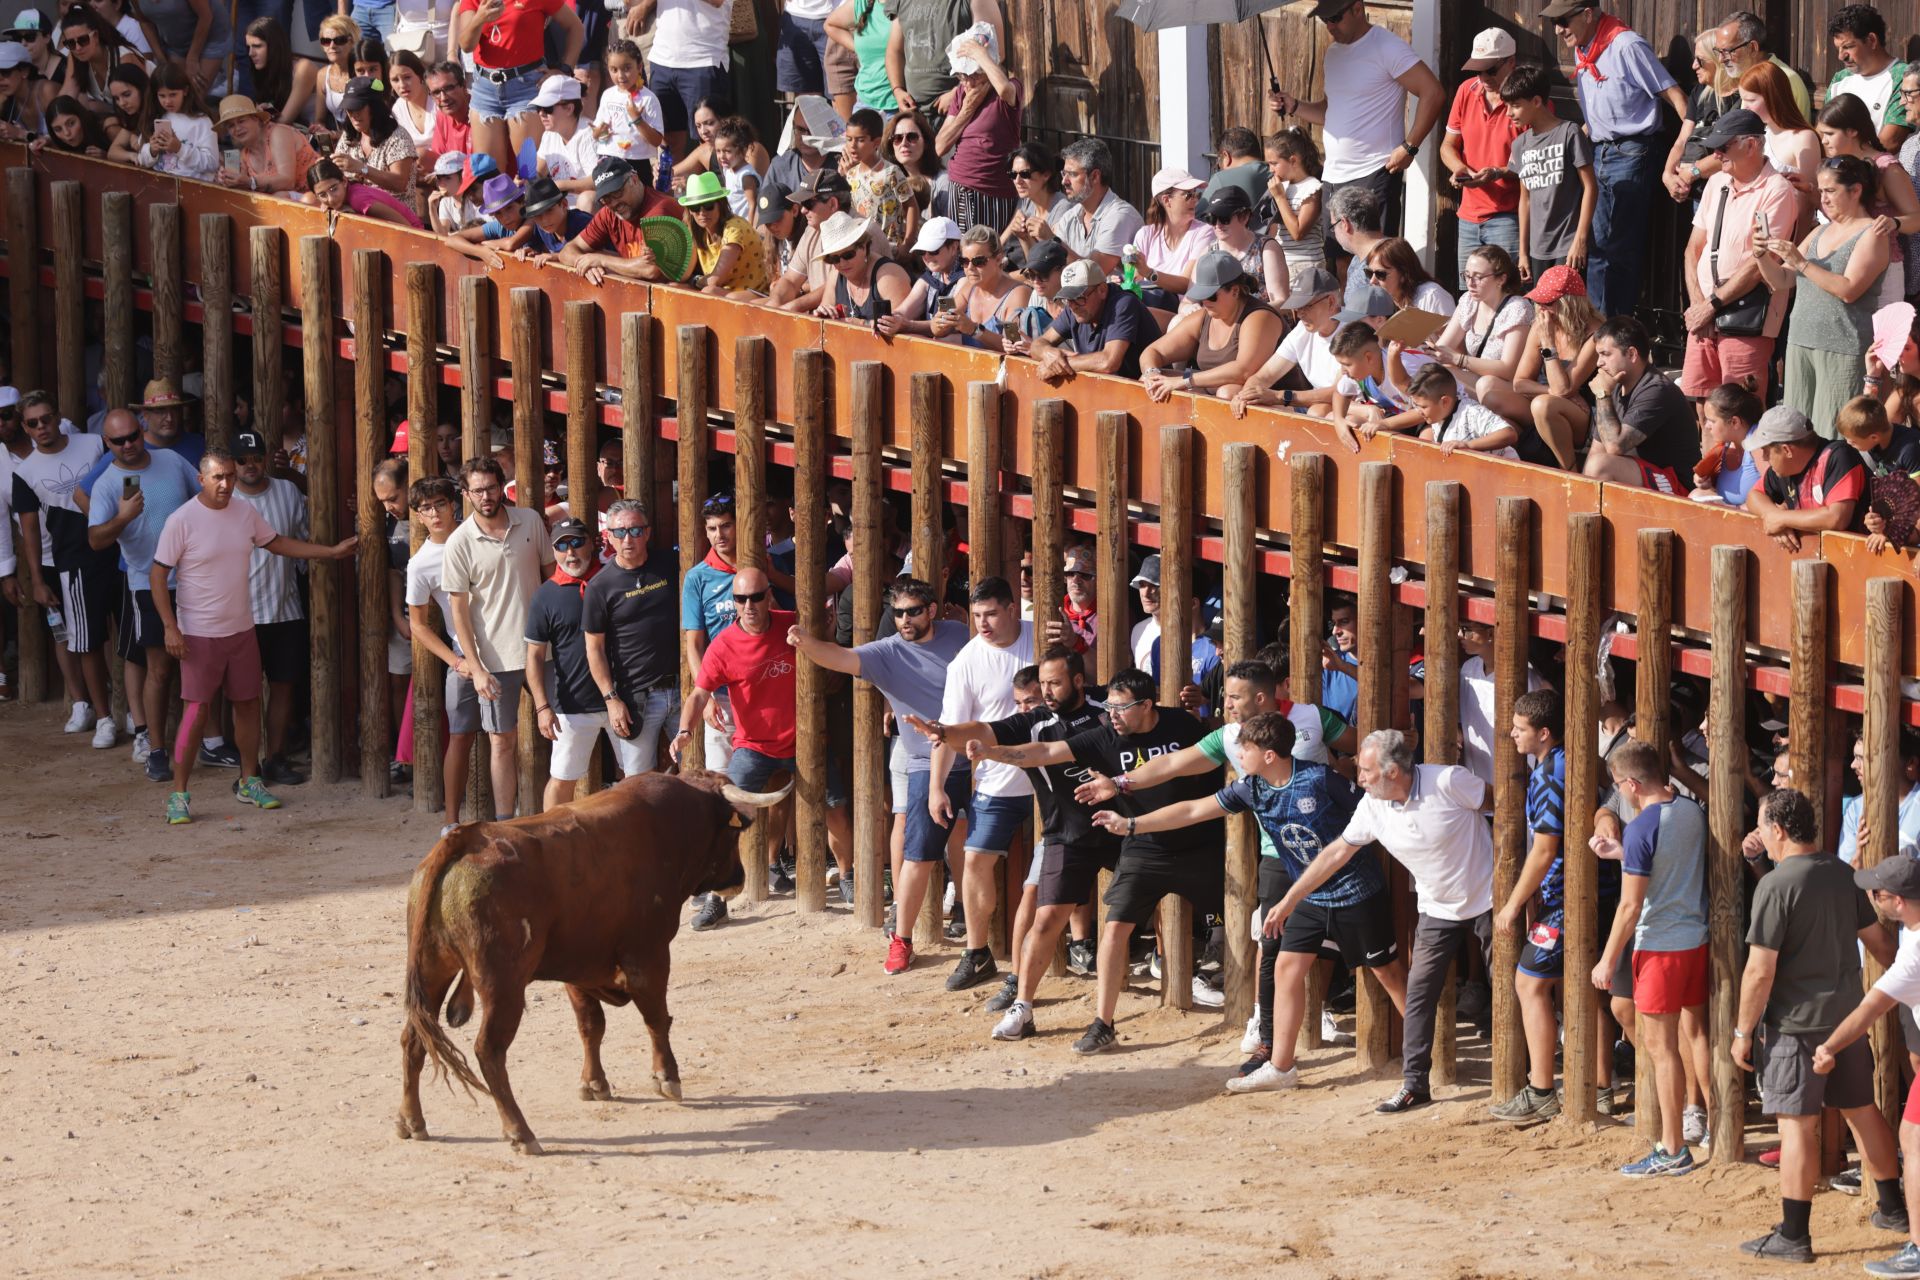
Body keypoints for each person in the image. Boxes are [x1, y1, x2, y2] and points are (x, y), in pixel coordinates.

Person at [964, 667, 1216, 1054]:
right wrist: (993, 752)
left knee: (1243, 918)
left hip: (1198, 843)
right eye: (1109, 707)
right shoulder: (1106, 735)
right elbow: (1046, 752)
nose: (1111, 715)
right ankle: (1077, 1017)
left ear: (1147, 705)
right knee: (1108, 927)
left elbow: (1215, 754)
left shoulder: (1182, 723)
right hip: (1139, 844)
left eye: (1121, 708)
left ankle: (1249, 1005)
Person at [1258, 729, 1491, 1113]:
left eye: (1366, 771)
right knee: (1417, 995)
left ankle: (1533, 1076)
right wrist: (1288, 900)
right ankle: (1416, 1085)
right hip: (1437, 908)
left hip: (1490, 899)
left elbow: (1509, 808)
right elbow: (1334, 855)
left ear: (1394, 772)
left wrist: (1522, 887)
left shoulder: (1449, 781)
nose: (1359, 778)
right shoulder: (1371, 805)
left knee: (1511, 986)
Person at [1733, 788, 1903, 1263]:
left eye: (1764, 826)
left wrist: (1743, 1032)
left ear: (1780, 830)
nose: (1761, 836)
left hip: (1796, 1024)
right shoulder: (1842, 874)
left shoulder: (1774, 886)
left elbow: (1759, 970)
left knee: (1796, 1129)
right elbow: (1881, 946)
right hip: (1847, 1018)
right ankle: (1892, 1208)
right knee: (1862, 1111)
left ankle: (1794, 1234)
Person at [909, 650, 1110, 1030]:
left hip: (1120, 820)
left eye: (1055, 683)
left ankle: (1170, 967)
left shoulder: (1104, 703)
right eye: (1044, 685)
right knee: (1041, 910)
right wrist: (945, 733)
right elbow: (984, 730)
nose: (1048, 692)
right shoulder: (1033, 722)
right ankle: (1021, 998)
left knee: (1152, 893)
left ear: (1078, 682)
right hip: (1068, 831)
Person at [150, 451, 354, 825]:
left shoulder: (244, 513)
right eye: (218, 478)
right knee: (196, 712)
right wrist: (169, 626)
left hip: (242, 629)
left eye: (229, 476)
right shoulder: (182, 520)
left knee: (247, 705)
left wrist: (329, 553)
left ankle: (250, 781)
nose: (226, 484)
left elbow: (276, 543)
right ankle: (178, 794)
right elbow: (158, 574)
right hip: (199, 633)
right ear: (201, 479)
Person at [789, 576, 970, 975]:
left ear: (933, 611)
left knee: (969, 842)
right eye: (898, 612)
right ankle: (902, 940)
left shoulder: (959, 632)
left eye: (913, 611)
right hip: (926, 762)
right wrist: (806, 642)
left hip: (977, 755)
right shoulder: (887, 653)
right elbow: (841, 657)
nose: (904, 619)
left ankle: (972, 932)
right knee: (918, 854)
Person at [1491, 689, 1619, 1123]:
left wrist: (1512, 906)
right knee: (1587, 991)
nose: (1511, 734)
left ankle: (1542, 1089)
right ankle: (1601, 1089)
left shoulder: (1549, 776)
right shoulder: (1568, 761)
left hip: (1567, 897)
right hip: (1594, 891)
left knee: (1529, 985)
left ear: (1543, 733)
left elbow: (1545, 850)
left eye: (1519, 728)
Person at [1593, 737, 1711, 1177]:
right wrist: (1623, 854)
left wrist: (1607, 960)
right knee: (1696, 1035)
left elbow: (1629, 907)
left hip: (1659, 946)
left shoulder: (1642, 825)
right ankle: (1712, 1124)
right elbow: (1671, 861)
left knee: (1662, 1051)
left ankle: (1673, 1147)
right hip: (1693, 939)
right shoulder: (1689, 810)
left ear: (1630, 783)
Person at [1542, 0, 1686, 318]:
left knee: (1609, 249)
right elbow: (1598, 114)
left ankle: (1606, 334)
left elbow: (1676, 97)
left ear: (1588, 14)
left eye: (1563, 20)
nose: (1558, 29)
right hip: (1599, 151)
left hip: (1632, 152)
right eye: (1555, 22)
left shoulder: (1626, 46)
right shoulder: (1584, 48)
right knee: (1599, 246)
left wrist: (1683, 152)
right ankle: (1603, 331)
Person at [923, 576, 1033, 991]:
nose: (983, 624)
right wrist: (937, 787)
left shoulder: (1040, 637)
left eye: (990, 614)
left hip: (1050, 774)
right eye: (976, 616)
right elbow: (946, 732)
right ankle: (977, 951)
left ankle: (1080, 941)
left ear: (1011, 610)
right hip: (997, 780)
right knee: (975, 860)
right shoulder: (966, 662)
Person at [1816, 853, 1920, 1278]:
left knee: (1912, 1138)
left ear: (1894, 900)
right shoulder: (1911, 933)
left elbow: (1869, 1009)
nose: (1871, 898)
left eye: (1876, 893)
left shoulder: (1913, 955)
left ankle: (1916, 1248)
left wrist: (1830, 1046)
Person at [671, 563, 798, 906]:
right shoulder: (724, 644)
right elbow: (699, 694)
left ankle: (846, 877)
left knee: (835, 807)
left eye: (756, 597)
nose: (749, 606)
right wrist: (685, 730)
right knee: (724, 810)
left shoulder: (792, 624)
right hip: (753, 746)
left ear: (769, 596)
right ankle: (716, 897)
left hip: (804, 741)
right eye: (741, 599)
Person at [84, 408, 199, 779]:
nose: (129, 445)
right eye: (119, 441)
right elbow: (96, 539)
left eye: (133, 435)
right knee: (160, 670)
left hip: (195, 580)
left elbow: (204, 500)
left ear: (142, 428)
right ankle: (156, 748)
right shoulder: (107, 483)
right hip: (147, 585)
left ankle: (208, 743)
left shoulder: (171, 459)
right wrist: (121, 519)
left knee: (201, 665)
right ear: (107, 443)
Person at [1266, 0, 1443, 241]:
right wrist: (1294, 105)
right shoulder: (1333, 53)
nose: (1329, 26)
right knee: (1337, 264)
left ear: (1357, 9)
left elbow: (1433, 92)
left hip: (1373, 172)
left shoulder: (1387, 47)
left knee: (1373, 263)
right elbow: (1330, 112)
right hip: (1333, 176)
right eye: (1323, 19)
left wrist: (1409, 147)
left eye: (1335, 18)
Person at [441, 454, 553, 828]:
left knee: (562, 731)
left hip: (543, 650)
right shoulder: (459, 542)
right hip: (494, 658)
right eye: (477, 490)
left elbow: (552, 580)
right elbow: (459, 613)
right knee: (501, 742)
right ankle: (506, 824)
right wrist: (475, 668)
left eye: (491, 487)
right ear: (465, 494)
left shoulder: (531, 521)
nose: (485, 496)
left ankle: (557, 818)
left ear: (502, 485)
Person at [11, 391, 117, 750]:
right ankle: (97, 713)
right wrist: (37, 579)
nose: (41, 427)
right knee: (80, 639)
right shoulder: (24, 472)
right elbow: (27, 528)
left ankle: (131, 713)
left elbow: (126, 476)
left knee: (123, 633)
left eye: (46, 419)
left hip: (117, 549)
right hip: (69, 557)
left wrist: (133, 513)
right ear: (25, 428)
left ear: (57, 417)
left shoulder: (92, 444)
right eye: (33, 423)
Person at [1759, 154, 1890, 435]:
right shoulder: (1820, 231)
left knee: (1834, 437)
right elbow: (1781, 279)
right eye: (1821, 191)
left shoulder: (1872, 233)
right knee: (1796, 432)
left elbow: (1849, 290)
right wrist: (1761, 255)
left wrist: (1802, 262)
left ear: (1856, 191)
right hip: (1800, 342)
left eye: (1831, 191)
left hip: (1842, 347)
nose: (1824, 199)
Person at [1679, 108, 1797, 404]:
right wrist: (1698, 307)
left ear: (1752, 145)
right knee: (1703, 408)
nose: (1716, 155)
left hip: (1746, 318)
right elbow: (1693, 249)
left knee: (1741, 411)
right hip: (1704, 315)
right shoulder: (1717, 182)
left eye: (1723, 146)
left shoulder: (1777, 191)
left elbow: (1760, 265)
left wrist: (1710, 306)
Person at [228, 431, 311, 789]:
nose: (250, 465)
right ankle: (246, 769)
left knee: (283, 687)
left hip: (285, 606)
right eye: (243, 459)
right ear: (233, 464)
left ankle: (276, 757)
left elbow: (304, 539)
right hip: (240, 613)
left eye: (255, 457)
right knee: (243, 695)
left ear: (266, 458)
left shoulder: (288, 492)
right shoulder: (223, 500)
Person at [578, 495, 679, 773]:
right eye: (620, 532)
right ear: (608, 536)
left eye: (635, 530)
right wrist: (612, 700)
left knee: (699, 772)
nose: (627, 539)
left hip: (684, 688)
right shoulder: (600, 586)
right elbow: (594, 649)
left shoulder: (671, 564)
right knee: (637, 783)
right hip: (637, 695)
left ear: (647, 532)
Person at [1476, 265, 1601, 470]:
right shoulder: (1540, 325)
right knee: (1490, 394)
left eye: (1548, 302)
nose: (1541, 308)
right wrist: (1549, 391)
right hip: (1545, 400)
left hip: (1581, 415)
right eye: (1538, 301)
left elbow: (1563, 389)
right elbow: (1520, 383)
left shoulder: (1595, 334)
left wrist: (1549, 344)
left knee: (1543, 405)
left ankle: (1569, 469)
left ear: (1570, 303)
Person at [453, 0, 582, 178]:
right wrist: (480, 18)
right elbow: (466, 45)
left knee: (529, 173)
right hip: (485, 89)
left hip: (527, 87)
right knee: (489, 177)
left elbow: (575, 27)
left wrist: (565, 69)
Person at [1138, 252, 1284, 404]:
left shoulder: (1260, 317)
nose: (1205, 301)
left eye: (1211, 295)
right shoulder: (1203, 316)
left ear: (1235, 291)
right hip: (1214, 392)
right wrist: (1151, 373)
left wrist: (1185, 380)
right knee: (1151, 383)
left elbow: (1244, 371)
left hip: (1275, 399)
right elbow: (1154, 351)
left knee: (1227, 393)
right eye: (1201, 295)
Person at [1584, 315, 1699, 492]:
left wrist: (1601, 395)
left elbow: (1615, 447)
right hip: (1648, 473)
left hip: (1678, 487)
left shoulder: (1657, 390)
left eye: (1605, 354)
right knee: (1597, 461)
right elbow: (1597, 449)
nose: (1599, 363)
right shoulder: (1614, 387)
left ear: (1632, 354)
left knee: (1601, 465)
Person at [1503, 61, 1594, 283]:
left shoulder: (1569, 132)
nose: (1509, 113)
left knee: (1566, 312)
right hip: (1537, 249)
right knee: (1542, 312)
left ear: (1536, 101)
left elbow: (1590, 187)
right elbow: (1525, 200)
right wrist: (1523, 253)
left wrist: (1580, 239)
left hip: (1568, 245)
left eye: (1515, 105)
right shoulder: (1520, 144)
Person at [1442, 28, 1521, 280]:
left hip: (1508, 215)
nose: (1483, 77)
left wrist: (1498, 173)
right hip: (1468, 215)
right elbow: (1447, 146)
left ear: (1511, 62)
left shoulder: (1526, 101)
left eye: (1491, 70)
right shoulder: (1467, 90)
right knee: (1469, 295)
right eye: (1478, 70)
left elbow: (1535, 166)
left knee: (1506, 294)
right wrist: (1459, 168)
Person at [1744, 403, 1867, 548]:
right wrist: (1771, 515)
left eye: (1766, 450)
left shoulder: (1839, 457)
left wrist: (1781, 518)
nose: (1764, 457)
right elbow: (1754, 495)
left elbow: (1836, 518)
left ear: (1787, 450)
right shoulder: (1784, 469)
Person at [931, 29, 1019, 231]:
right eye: (962, 76)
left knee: (989, 252)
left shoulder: (1008, 89)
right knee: (964, 252)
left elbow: (1006, 90)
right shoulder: (962, 93)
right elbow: (940, 146)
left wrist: (980, 55)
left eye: (974, 74)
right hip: (961, 183)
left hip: (995, 189)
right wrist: (968, 108)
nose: (968, 82)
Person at [1231, 266, 1345, 418]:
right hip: (1318, 405)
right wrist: (1245, 395)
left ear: (1331, 302)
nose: (1300, 314)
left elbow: (1339, 391)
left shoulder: (1353, 331)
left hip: (1356, 406)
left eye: (1306, 306)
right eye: (1296, 308)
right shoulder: (1302, 330)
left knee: (1318, 411)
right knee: (1247, 400)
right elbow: (1265, 375)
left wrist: (1280, 396)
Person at [556, 157, 687, 286]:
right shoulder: (608, 213)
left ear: (634, 179)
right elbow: (567, 252)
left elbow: (651, 270)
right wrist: (586, 264)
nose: (613, 203)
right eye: (605, 199)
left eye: (617, 193)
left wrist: (601, 260)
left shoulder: (659, 210)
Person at [1426, 243, 1533, 396]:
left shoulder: (1517, 308)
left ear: (1501, 279)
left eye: (1478, 277)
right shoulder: (1468, 301)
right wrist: (1425, 344)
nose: (1470, 283)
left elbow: (1508, 370)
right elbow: (1443, 347)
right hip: (1475, 381)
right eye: (1467, 275)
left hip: (1507, 388)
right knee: (1434, 373)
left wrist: (1458, 359)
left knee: (1484, 384)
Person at [1029, 259, 1154, 384]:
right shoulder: (1073, 307)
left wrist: (1059, 365)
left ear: (1102, 290)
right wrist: (1047, 353)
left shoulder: (1123, 304)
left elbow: (1109, 362)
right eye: (1067, 299)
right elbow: (1037, 344)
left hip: (1146, 393)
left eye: (1079, 297)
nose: (1072, 306)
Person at [640, 0, 734, 162]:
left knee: (710, 140)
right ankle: (670, 187)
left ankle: (714, 187)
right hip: (662, 58)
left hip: (703, 59)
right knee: (667, 142)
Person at [882, 0, 1002, 120]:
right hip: (915, 116)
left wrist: (958, 93)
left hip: (963, 111)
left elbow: (996, 54)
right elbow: (895, 51)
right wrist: (898, 90)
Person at [1739, 61, 1821, 233]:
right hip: (1760, 228)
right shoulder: (1761, 134)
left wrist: (1796, 250)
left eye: (1751, 100)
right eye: (1743, 100)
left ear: (1772, 97)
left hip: (1792, 230)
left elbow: (1807, 203)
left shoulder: (1803, 138)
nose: (1744, 107)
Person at [1046, 137, 1142, 276]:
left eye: (1072, 174)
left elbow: (1094, 274)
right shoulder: (1071, 216)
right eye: (1063, 173)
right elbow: (1052, 269)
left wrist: (1054, 242)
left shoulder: (1120, 216)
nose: (1064, 181)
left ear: (1095, 176)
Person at [1662, 30, 1737, 206]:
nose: (1694, 66)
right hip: (1697, 192)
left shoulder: (1740, 96)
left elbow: (1732, 151)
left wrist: (1692, 172)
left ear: (1716, 59)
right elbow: (1682, 140)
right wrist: (1667, 174)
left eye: (1701, 60)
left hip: (1725, 191)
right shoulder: (1699, 92)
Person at [927, 224, 1029, 352]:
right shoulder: (968, 287)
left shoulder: (1017, 294)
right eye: (964, 261)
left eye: (978, 261)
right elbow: (937, 329)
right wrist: (938, 323)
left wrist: (974, 330)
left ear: (998, 259)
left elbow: (1015, 345)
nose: (970, 268)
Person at [1828, 4, 1911, 153]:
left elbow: (1890, 141)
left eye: (1848, 47)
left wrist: (1846, 166)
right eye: (1838, 48)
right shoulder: (1840, 79)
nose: (1841, 56)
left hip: (1882, 173)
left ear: (1872, 40)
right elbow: (1824, 130)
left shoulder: (1904, 76)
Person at [812, 210, 912, 326]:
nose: (842, 263)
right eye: (834, 259)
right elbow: (824, 324)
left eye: (848, 255)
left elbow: (902, 327)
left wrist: (862, 324)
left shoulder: (888, 276)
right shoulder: (835, 277)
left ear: (864, 247)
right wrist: (823, 315)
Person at [1195, 184, 1288, 306]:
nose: (1217, 225)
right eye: (1211, 218)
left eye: (1224, 218)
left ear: (1244, 217)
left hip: (1259, 320)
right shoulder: (1208, 252)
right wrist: (1190, 308)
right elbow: (1188, 301)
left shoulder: (1266, 249)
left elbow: (1280, 301)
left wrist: (1243, 315)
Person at [681, 169, 769, 294]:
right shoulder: (697, 230)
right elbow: (683, 275)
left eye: (708, 205)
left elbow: (714, 281)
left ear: (720, 204)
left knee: (709, 292)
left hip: (755, 293)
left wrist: (695, 280)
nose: (702, 213)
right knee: (675, 286)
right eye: (695, 207)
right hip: (726, 292)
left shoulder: (734, 228)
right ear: (689, 210)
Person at [214, 92, 321, 194]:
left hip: (319, 197)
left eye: (241, 121)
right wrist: (226, 179)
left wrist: (251, 182)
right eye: (231, 126)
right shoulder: (243, 154)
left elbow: (288, 181)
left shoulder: (278, 133)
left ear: (256, 119)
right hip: (284, 205)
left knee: (280, 196)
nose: (237, 128)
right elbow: (240, 190)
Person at [1405, 363, 1518, 459]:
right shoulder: (1438, 416)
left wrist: (1468, 445)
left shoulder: (1471, 412)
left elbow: (1509, 434)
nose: (1419, 411)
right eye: (1416, 406)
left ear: (1444, 402)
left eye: (1424, 407)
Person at [839, 106, 915, 248]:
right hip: (863, 248)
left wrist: (907, 243)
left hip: (891, 248)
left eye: (860, 140)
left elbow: (910, 206)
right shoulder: (851, 175)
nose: (852, 146)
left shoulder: (891, 172)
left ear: (876, 142)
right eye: (849, 139)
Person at [333, 74, 419, 198]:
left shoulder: (398, 137)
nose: (354, 115)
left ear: (374, 108)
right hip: (357, 209)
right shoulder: (349, 135)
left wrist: (361, 168)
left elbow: (399, 183)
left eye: (359, 108)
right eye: (349, 109)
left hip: (394, 213)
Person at [590, 38, 664, 180]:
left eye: (627, 68)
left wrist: (637, 119)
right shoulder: (607, 95)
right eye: (614, 70)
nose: (620, 75)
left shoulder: (648, 99)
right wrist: (598, 132)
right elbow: (597, 134)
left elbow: (657, 140)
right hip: (608, 159)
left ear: (640, 67)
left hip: (637, 162)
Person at [1689, 379, 1765, 506]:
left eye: (1712, 421)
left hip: (1752, 517)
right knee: (1696, 495)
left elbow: (1776, 493)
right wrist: (1707, 481)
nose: (1706, 426)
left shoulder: (1758, 446)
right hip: (1730, 512)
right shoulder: (1727, 443)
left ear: (1734, 422)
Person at [1262, 128, 1325, 281]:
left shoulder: (1312, 188)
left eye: (1274, 163)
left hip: (1305, 265)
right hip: (1283, 262)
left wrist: (1280, 198)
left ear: (1293, 160)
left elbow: (1298, 233)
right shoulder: (1283, 187)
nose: (1270, 170)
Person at [530, 74, 596, 209]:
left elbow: (598, 180)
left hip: (587, 206)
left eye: (547, 108)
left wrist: (561, 185)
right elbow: (537, 172)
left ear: (569, 108)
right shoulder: (549, 135)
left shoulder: (588, 134)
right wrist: (524, 178)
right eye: (538, 108)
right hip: (561, 208)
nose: (541, 114)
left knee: (587, 199)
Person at [305, 156, 424, 226]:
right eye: (323, 195)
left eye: (334, 189)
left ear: (344, 182)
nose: (330, 198)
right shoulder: (343, 197)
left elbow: (406, 227)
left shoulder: (359, 200)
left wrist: (354, 215)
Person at [825, 0, 892, 116]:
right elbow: (830, 25)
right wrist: (859, 48)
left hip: (899, 105)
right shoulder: (862, 3)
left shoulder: (910, 5)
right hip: (865, 102)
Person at [1327, 183, 1387, 312]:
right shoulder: (1357, 259)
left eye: (1333, 226)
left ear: (1344, 224)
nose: (1334, 233)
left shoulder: (1385, 260)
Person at [1000, 140, 1060, 260]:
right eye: (1013, 174)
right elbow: (1000, 244)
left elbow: (1047, 265)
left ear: (1046, 175)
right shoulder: (1026, 200)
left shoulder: (1061, 210)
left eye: (1025, 174)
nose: (1017, 181)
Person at [1200, 125, 1268, 210]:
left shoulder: (1221, 179)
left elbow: (1199, 219)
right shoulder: (1279, 173)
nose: (1219, 167)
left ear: (1226, 156)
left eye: (1219, 162)